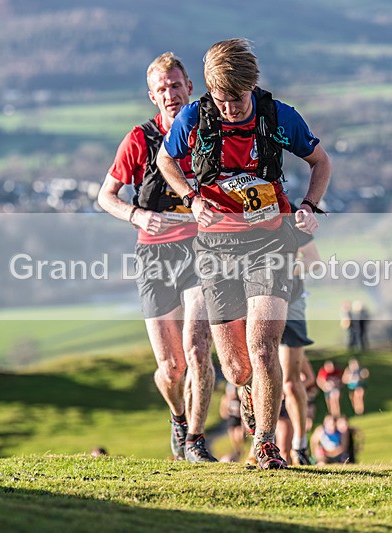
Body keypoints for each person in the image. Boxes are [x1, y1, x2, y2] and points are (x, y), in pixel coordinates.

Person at [158, 38, 331, 470]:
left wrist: (308, 207)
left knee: (263, 344)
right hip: (215, 247)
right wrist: (191, 198)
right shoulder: (196, 118)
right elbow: (166, 161)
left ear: (251, 86)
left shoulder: (278, 117)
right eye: (221, 100)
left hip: (269, 242)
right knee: (236, 369)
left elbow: (321, 162)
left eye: (237, 99)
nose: (230, 108)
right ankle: (251, 399)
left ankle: (267, 444)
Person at [97, 52, 216, 462]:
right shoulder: (140, 139)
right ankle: (179, 418)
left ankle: (197, 441)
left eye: (176, 86)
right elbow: (105, 196)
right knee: (172, 366)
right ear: (152, 96)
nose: (170, 94)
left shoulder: (208, 133)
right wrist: (137, 214)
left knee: (199, 348)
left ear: (190, 89)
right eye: (161, 89)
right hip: (154, 256)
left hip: (202, 250)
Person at [278, 210, 321, 465]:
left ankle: (300, 446)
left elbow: (314, 261)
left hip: (291, 300)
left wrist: (282, 268)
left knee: (291, 383)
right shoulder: (239, 204)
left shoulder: (293, 214)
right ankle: (261, 442)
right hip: (250, 301)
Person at [218, 381, 245, 462]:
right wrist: (224, 413)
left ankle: (240, 448)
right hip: (231, 418)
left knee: (238, 434)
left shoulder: (239, 398)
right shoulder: (226, 398)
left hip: (239, 417)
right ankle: (237, 449)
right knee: (232, 435)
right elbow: (223, 407)